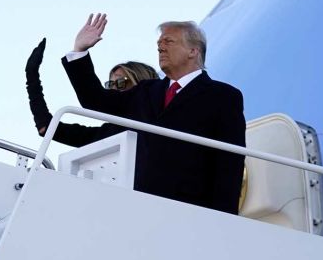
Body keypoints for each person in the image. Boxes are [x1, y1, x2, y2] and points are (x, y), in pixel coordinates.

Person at [60, 14, 246, 214]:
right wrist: (80, 51)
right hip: (138, 205)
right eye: (159, 42)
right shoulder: (146, 91)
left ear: (193, 50)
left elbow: (229, 163)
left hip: (190, 210)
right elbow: (96, 101)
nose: (160, 47)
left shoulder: (224, 96)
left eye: (169, 41)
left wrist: (224, 218)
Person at [24, 38, 158, 147]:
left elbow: (95, 97)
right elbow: (46, 128)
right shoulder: (105, 135)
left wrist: (79, 52)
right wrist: (32, 76)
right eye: (110, 84)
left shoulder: (159, 115)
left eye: (121, 82)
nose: (113, 89)